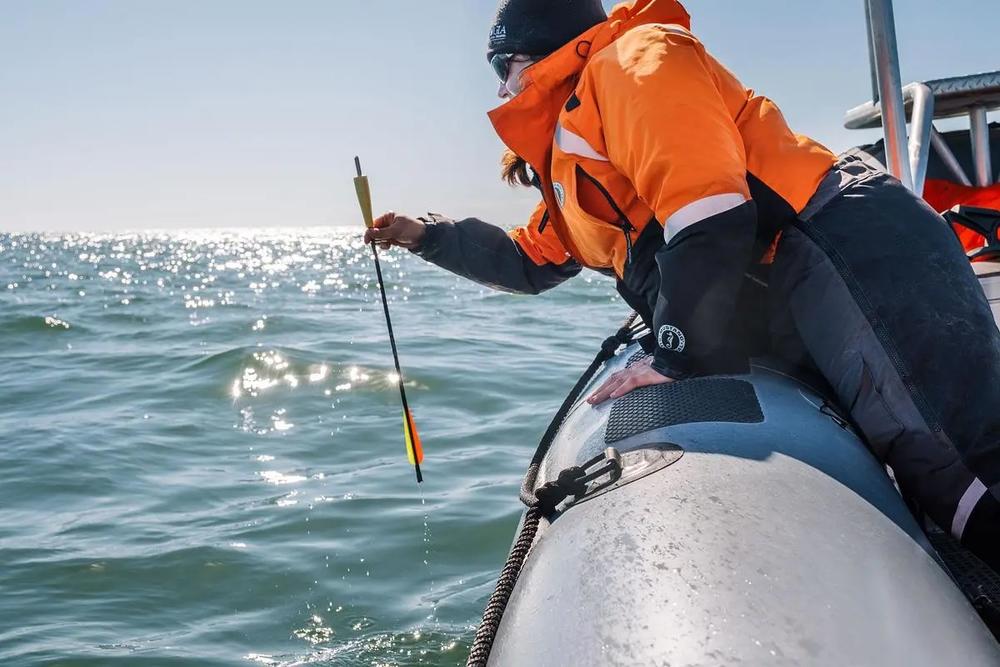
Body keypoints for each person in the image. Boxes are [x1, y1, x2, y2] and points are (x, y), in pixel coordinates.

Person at [364, 0, 1000, 568]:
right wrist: (427, 235)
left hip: (843, 240)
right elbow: (532, 261)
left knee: (960, 468)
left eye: (500, 69)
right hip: (791, 280)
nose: (500, 88)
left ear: (526, 59)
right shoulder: (570, 154)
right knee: (934, 471)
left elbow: (710, 208)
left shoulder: (634, 60)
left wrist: (676, 353)